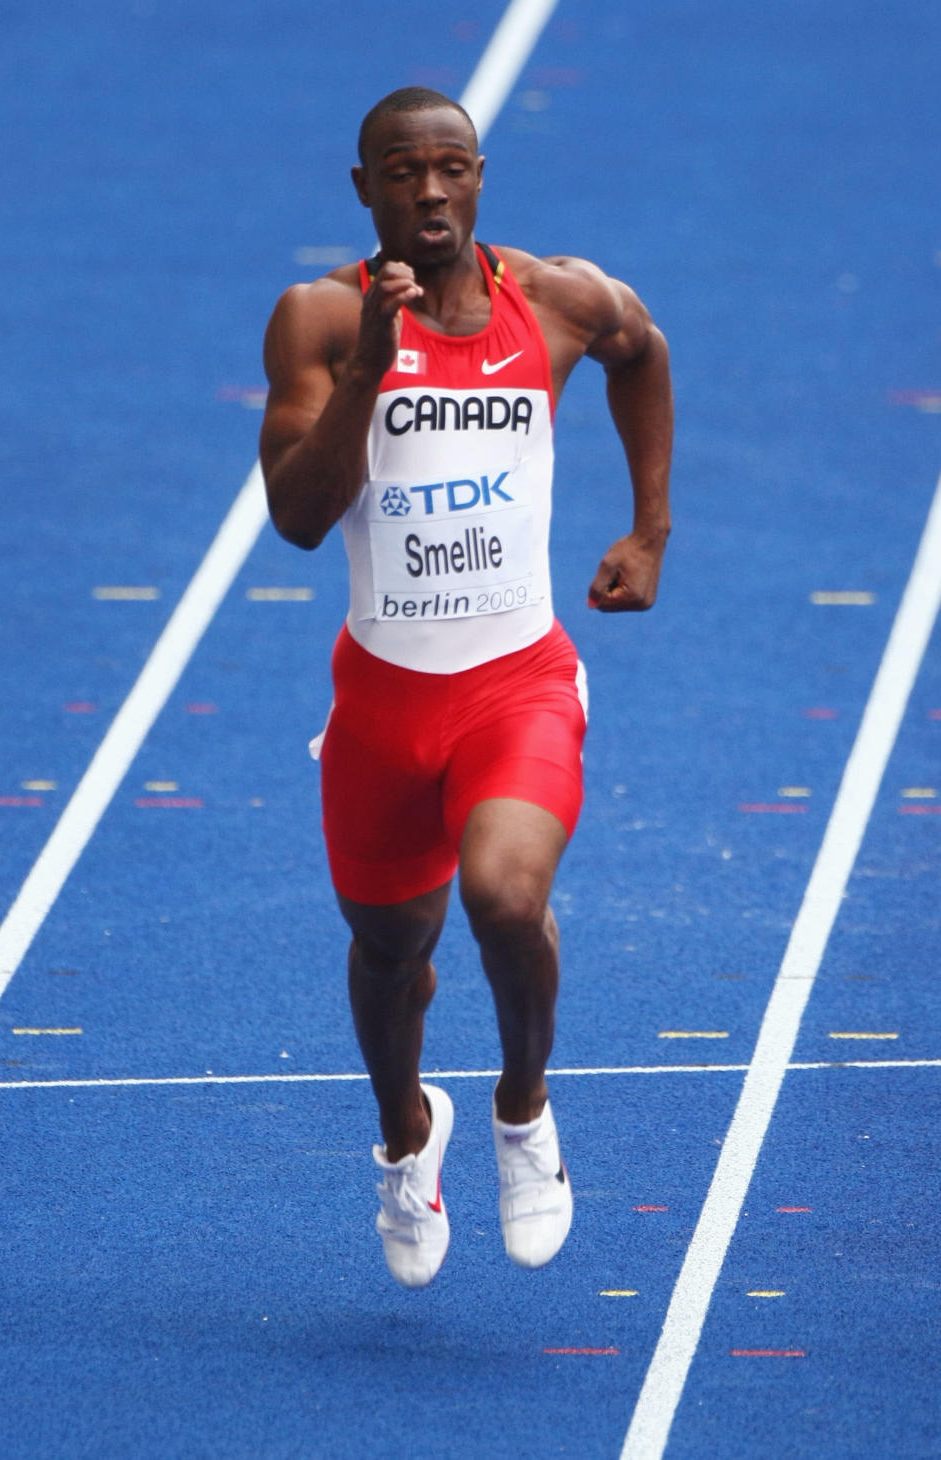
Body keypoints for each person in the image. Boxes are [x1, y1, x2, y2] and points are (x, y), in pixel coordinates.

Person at [259, 87, 672, 1289]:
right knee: (390, 953)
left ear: (479, 177)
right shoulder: (322, 318)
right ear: (365, 188)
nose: (428, 192)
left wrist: (649, 530)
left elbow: (641, 351)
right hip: (385, 702)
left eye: (449, 170)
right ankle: (406, 1137)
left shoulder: (554, 300)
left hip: (515, 682)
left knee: (503, 897)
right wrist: (372, 374)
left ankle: (523, 1111)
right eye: (401, 172)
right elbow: (294, 518)